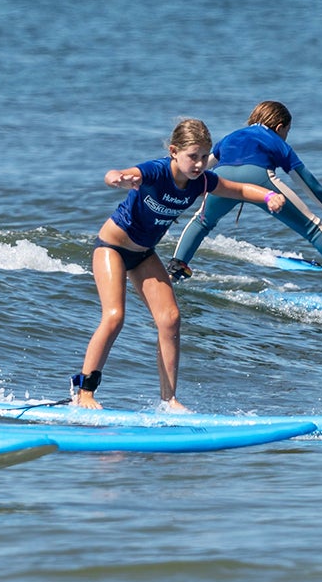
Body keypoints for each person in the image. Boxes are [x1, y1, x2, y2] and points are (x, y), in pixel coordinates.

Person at [72, 118, 286, 411]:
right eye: (192, 156)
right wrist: (117, 179)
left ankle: (168, 399)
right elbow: (117, 173)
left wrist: (269, 195)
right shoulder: (157, 171)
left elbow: (238, 190)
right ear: (174, 151)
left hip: (144, 253)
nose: (198, 164)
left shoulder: (202, 182)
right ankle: (84, 391)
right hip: (112, 248)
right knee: (114, 316)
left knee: (171, 319)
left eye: (203, 157)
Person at [170, 100, 322, 298]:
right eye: (287, 132)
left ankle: (174, 273)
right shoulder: (275, 140)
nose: (286, 136)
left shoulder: (231, 136)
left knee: (202, 222)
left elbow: (198, 170)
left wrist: (171, 199)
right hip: (261, 180)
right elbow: (310, 185)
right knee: (313, 229)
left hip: (224, 179)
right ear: (280, 127)